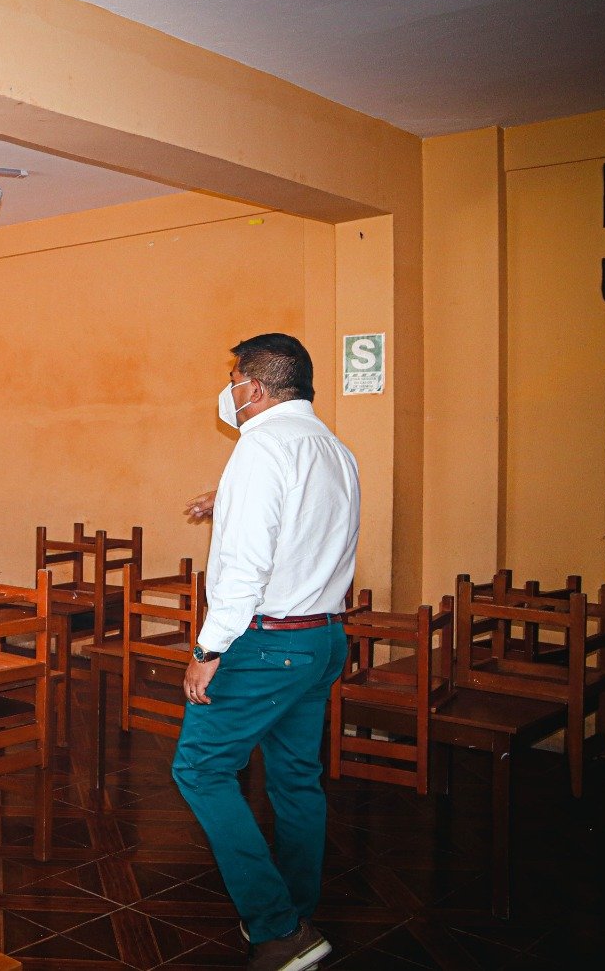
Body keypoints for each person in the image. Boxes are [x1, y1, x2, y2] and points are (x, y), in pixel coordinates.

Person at [172, 333, 359, 971]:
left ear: (253, 387)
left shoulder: (259, 449)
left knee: (199, 770)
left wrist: (208, 646)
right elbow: (306, 520)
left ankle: (279, 930)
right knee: (295, 779)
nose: (229, 392)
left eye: (234, 379)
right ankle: (295, 910)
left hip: (264, 642)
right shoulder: (334, 449)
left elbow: (247, 566)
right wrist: (224, 501)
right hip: (323, 638)